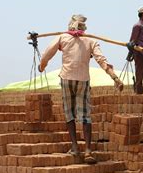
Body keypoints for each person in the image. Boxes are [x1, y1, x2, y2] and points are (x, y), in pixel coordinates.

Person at [39, 14, 123, 164]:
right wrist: (114, 77)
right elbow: (101, 60)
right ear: (84, 27)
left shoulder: (62, 37)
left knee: (69, 113)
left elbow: (47, 54)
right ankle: (88, 151)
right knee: (85, 115)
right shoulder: (91, 40)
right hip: (83, 80)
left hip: (66, 78)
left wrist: (42, 66)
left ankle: (75, 147)